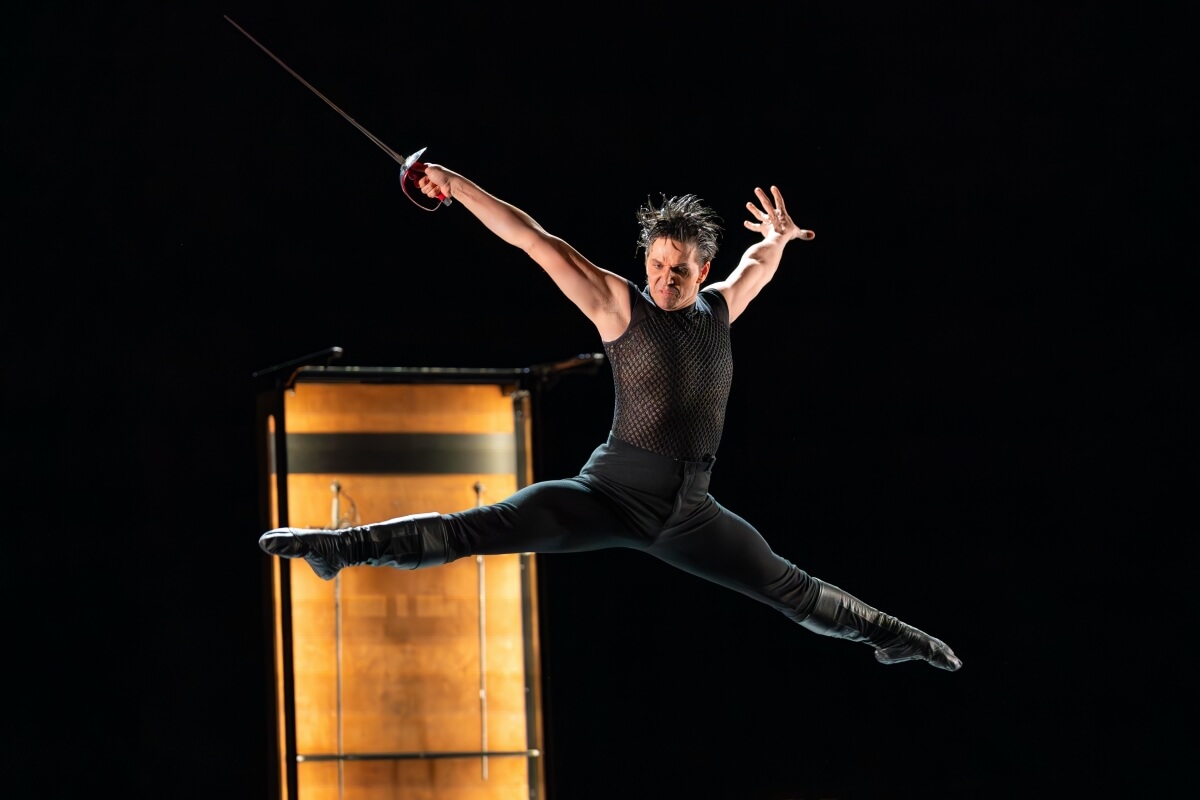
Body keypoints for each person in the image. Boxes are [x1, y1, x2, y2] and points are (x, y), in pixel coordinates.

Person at [259, 165, 962, 672]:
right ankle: (339, 548)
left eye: (678, 271)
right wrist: (457, 185)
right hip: (608, 494)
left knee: (790, 588)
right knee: (483, 528)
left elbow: (756, 265)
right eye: (656, 266)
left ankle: (895, 635)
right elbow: (534, 240)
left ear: (701, 267)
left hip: (689, 513)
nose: (664, 280)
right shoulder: (617, 305)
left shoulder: (719, 309)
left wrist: (777, 240)